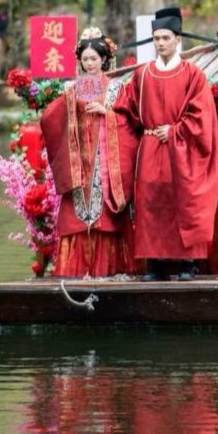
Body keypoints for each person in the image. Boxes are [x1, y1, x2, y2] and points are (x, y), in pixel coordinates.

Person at [114, 6, 218, 281]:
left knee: (181, 199)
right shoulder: (142, 74)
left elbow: (201, 116)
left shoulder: (193, 74)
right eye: (156, 39)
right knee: (150, 203)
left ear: (177, 39)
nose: (160, 43)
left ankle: (187, 263)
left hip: (180, 150)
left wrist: (175, 131)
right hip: (150, 148)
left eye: (165, 38)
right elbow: (127, 110)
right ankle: (155, 264)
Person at [39, 28, 139, 278]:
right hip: (79, 164)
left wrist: (108, 114)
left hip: (106, 164)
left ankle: (109, 271)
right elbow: (51, 119)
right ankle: (77, 273)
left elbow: (131, 124)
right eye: (85, 59)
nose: (90, 63)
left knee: (106, 218)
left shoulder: (116, 88)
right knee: (77, 219)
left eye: (94, 58)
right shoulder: (72, 89)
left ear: (104, 59)